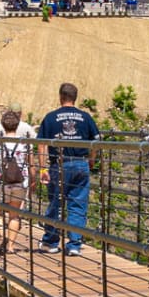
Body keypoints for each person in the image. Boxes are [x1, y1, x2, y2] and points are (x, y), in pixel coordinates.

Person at [36, 82, 99, 256]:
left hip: (59, 164)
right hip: (81, 163)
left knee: (55, 203)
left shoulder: (50, 117)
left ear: (61, 96)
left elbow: (41, 144)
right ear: (75, 98)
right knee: (77, 204)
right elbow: (96, 141)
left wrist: (42, 169)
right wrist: (91, 161)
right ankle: (74, 244)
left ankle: (51, 241)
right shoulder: (86, 117)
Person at [0, 109, 35, 255]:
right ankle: (10, 246)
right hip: (19, 182)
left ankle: (3, 236)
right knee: (14, 215)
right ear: (17, 125)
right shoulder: (25, 143)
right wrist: (33, 180)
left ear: (2, 125)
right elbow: (31, 164)